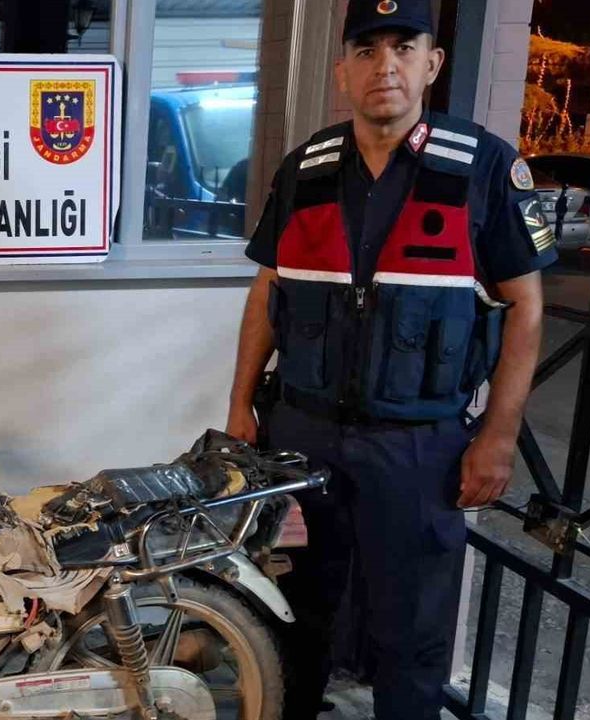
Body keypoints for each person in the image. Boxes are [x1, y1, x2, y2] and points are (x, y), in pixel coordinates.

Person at [224, 1, 556, 718]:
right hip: (302, 437)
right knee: (292, 610)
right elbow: (268, 291)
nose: (386, 67)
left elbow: (526, 306)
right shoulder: (305, 167)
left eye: (404, 48)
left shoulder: (484, 168)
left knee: (411, 631)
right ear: (342, 72)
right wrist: (240, 406)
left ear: (432, 64)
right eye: (367, 51)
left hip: (417, 445)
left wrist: (498, 437)